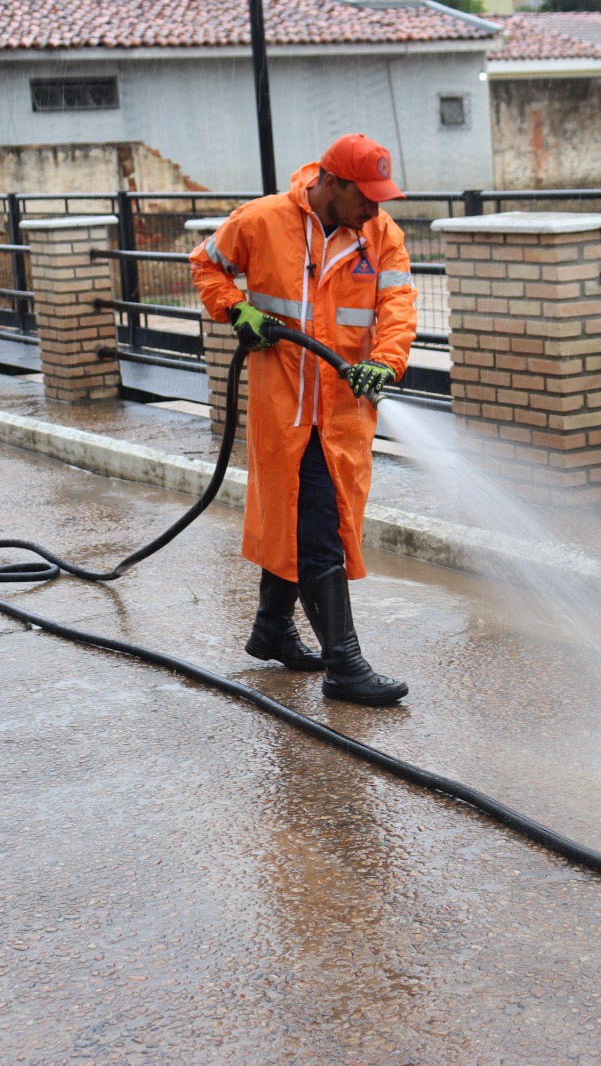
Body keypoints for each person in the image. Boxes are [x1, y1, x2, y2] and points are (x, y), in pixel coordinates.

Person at [189, 133, 416, 707]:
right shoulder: (262, 221)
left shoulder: (380, 235)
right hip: (284, 404)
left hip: (340, 413)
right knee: (319, 531)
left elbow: (397, 306)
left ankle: (271, 629)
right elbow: (206, 264)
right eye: (365, 196)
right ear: (331, 184)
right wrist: (236, 309)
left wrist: (386, 365)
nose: (375, 208)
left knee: (300, 516)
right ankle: (344, 665)